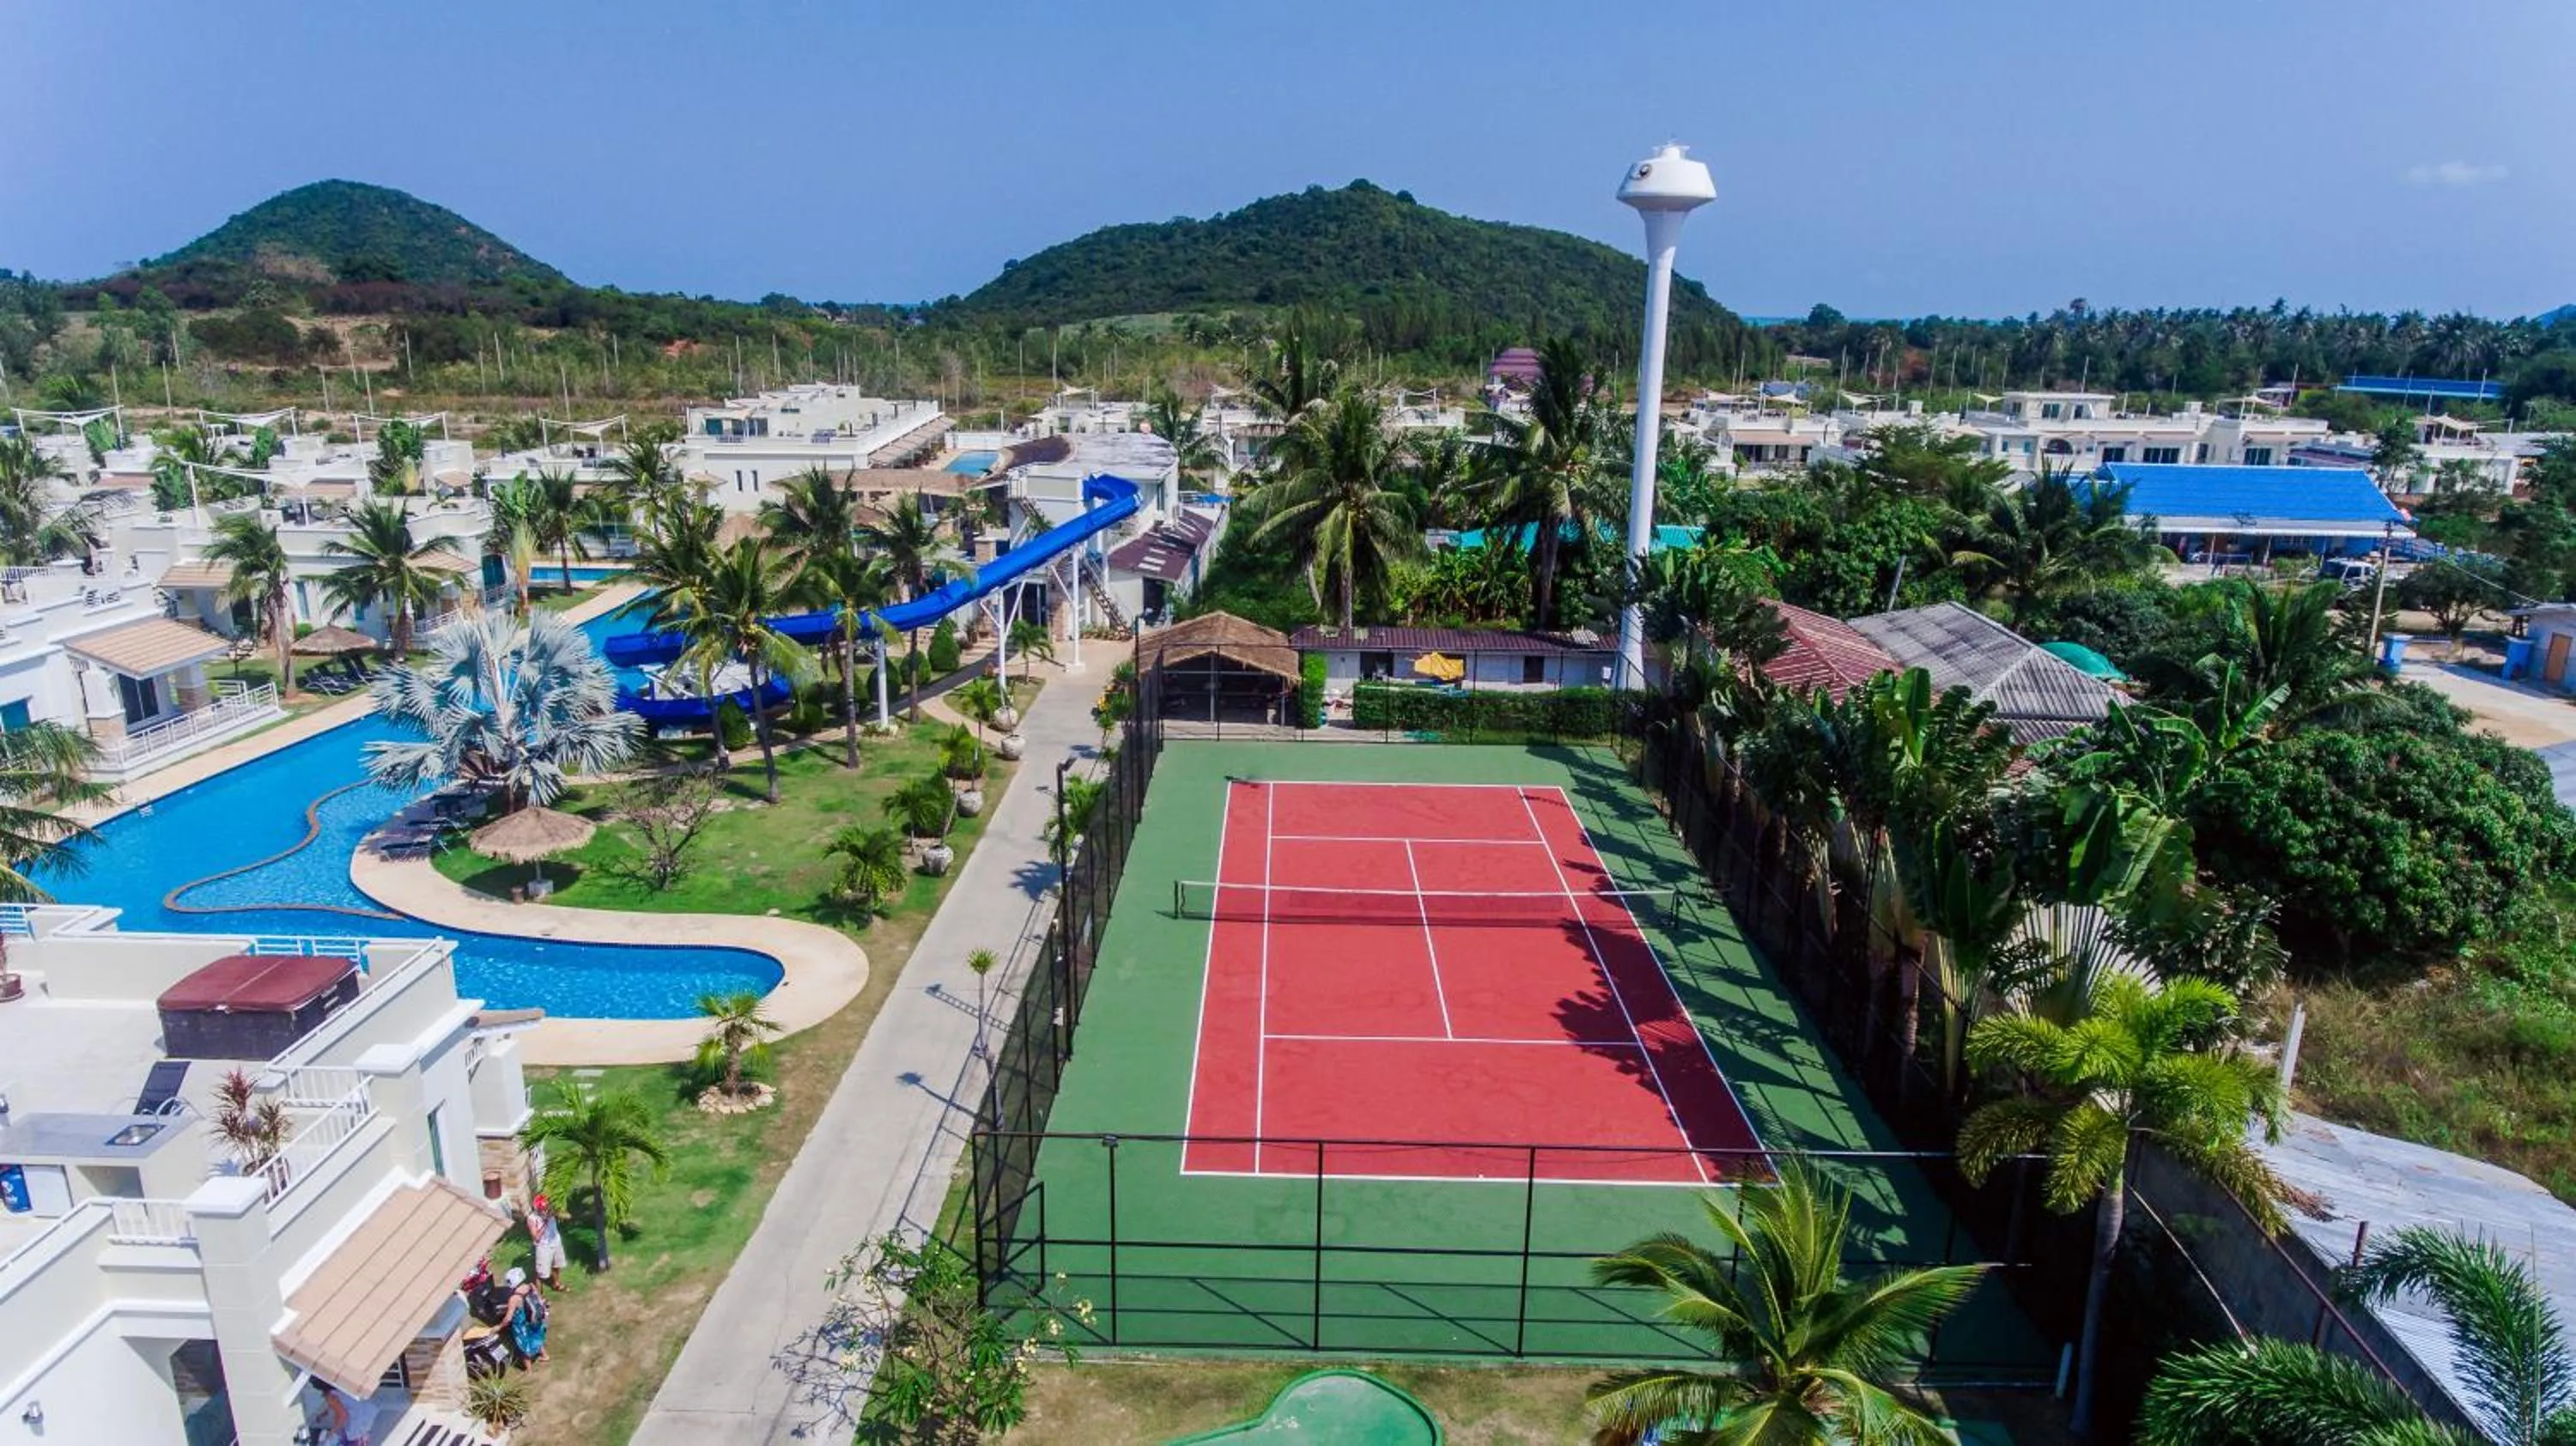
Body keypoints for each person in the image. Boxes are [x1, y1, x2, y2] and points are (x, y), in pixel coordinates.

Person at [501, 1267, 550, 1366]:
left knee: (523, 1347)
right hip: (537, 1320)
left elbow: (508, 1318)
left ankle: (529, 1371)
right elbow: (539, 1299)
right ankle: (545, 1356)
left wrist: (499, 1326)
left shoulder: (514, 1298)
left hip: (523, 1324)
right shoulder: (531, 1286)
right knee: (537, 1338)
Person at [523, 1193, 567, 1291]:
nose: (545, 1210)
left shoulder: (551, 1211)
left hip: (556, 1242)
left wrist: (556, 1213)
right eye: (542, 1208)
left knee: (557, 1265)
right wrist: (545, 1222)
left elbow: (567, 1216)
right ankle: (539, 1295)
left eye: (546, 1207)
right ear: (537, 1208)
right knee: (541, 1274)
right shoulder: (532, 1219)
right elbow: (536, 1237)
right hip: (543, 1247)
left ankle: (556, 1284)